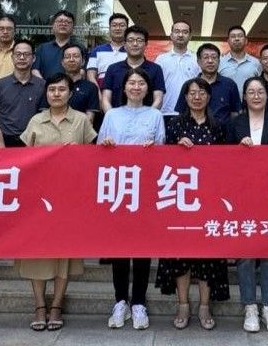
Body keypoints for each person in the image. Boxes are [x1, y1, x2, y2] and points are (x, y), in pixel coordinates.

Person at [19, 72, 98, 331]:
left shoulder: (81, 121)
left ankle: (57, 305)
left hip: (69, 198)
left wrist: (78, 154)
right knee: (37, 253)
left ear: (70, 93)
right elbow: (24, 160)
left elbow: (92, 159)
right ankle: (39, 305)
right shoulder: (35, 120)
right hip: (39, 198)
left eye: (61, 89)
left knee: (65, 253)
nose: (56, 93)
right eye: (52, 89)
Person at [156, 77, 231, 330]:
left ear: (209, 97)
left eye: (201, 93)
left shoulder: (218, 126)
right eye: (192, 93)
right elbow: (163, 163)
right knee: (181, 254)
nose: (197, 97)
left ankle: (204, 306)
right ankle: (183, 304)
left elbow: (227, 163)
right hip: (180, 200)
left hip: (209, 199)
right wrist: (176, 148)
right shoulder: (175, 125)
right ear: (185, 97)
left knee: (207, 255)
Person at [97, 67, 166, 330]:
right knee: (119, 248)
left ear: (148, 89)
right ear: (124, 88)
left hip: (145, 189)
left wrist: (153, 150)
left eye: (141, 83)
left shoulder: (155, 115)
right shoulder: (112, 115)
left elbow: (162, 150)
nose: (136, 87)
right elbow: (98, 151)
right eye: (131, 83)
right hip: (118, 189)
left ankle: (138, 302)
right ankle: (120, 301)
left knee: (142, 247)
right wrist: (106, 147)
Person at [225, 76, 268, 333]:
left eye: (260, 91)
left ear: (267, 95)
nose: (256, 96)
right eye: (251, 92)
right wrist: (238, 149)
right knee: (246, 253)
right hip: (243, 196)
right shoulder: (234, 123)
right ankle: (249, 306)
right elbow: (222, 159)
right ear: (244, 96)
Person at [0, 38, 46, 147]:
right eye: (18, 54)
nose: (22, 58)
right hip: (4, 140)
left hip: (33, 140)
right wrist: (1, 126)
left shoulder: (42, 86)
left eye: (26, 54)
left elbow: (44, 114)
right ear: (12, 58)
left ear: (33, 58)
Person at [100, 25, 165, 111]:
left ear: (146, 44)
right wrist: (113, 117)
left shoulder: (156, 69)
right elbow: (105, 99)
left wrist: (148, 117)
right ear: (124, 44)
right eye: (130, 40)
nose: (135, 44)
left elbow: (158, 100)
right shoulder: (112, 69)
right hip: (117, 118)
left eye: (139, 40)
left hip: (146, 118)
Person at [175, 43, 240, 121]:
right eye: (206, 57)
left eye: (214, 57)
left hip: (223, 128)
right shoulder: (188, 85)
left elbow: (235, 113)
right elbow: (181, 113)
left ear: (219, 61)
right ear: (198, 61)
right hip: (195, 128)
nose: (210, 61)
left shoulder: (230, 84)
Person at [155, 19, 199, 115]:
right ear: (171, 35)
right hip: (165, 112)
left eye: (185, 32)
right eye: (177, 31)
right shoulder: (161, 59)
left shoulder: (197, 59)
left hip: (191, 113)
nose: (180, 35)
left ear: (190, 36)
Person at [32, 9, 84, 79]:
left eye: (68, 22)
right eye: (60, 21)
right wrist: (46, 84)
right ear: (53, 26)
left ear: (73, 28)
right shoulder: (42, 48)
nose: (63, 24)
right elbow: (35, 70)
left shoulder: (80, 48)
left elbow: (82, 71)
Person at [60, 43, 101, 120]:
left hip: (81, 127)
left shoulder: (91, 88)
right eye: (67, 57)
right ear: (62, 62)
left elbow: (89, 119)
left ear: (83, 62)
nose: (71, 59)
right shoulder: (54, 85)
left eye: (76, 56)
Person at [87, 13, 130, 84]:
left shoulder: (132, 51)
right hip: (101, 89)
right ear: (109, 28)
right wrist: (97, 90)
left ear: (127, 29)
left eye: (122, 25)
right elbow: (90, 75)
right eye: (114, 25)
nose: (118, 28)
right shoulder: (97, 50)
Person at [219, 25, 261, 97]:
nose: (237, 39)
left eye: (240, 36)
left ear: (246, 41)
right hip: (226, 103)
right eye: (233, 36)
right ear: (228, 41)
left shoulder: (256, 63)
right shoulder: (220, 62)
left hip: (250, 103)